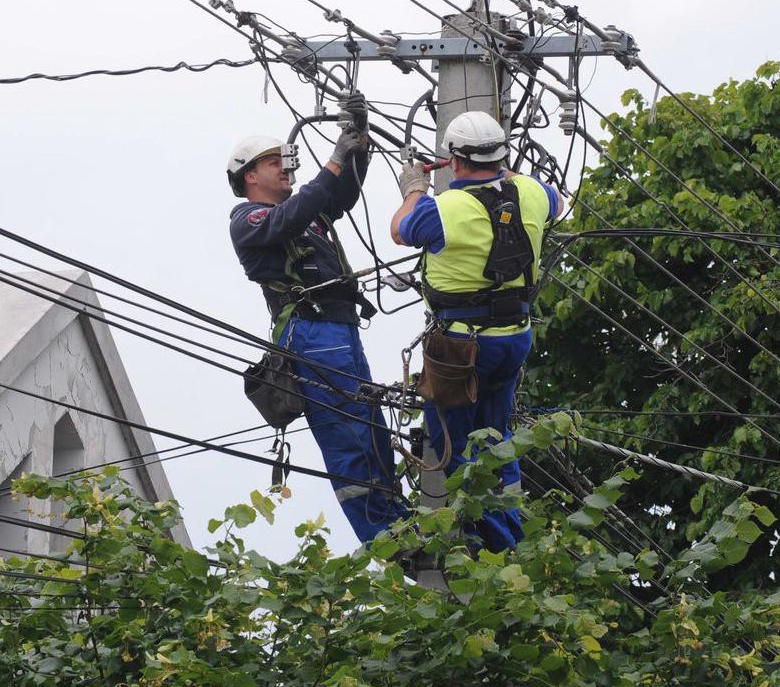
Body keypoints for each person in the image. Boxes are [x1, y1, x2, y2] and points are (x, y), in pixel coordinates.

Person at [227, 93, 408, 545]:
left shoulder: (308, 213)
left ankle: (400, 518)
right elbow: (295, 212)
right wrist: (332, 161)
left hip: (340, 330)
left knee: (369, 424)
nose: (285, 170)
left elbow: (340, 191)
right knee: (347, 432)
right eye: (274, 164)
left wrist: (357, 142)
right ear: (250, 176)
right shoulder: (249, 218)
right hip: (308, 333)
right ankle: (384, 535)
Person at [389, 110, 562, 551]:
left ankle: (501, 548)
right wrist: (506, 175)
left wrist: (413, 189)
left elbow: (399, 230)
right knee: (497, 437)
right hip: (514, 338)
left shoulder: (440, 210)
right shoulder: (536, 194)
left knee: (456, 450)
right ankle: (516, 527)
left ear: (453, 159)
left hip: (462, 349)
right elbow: (559, 201)